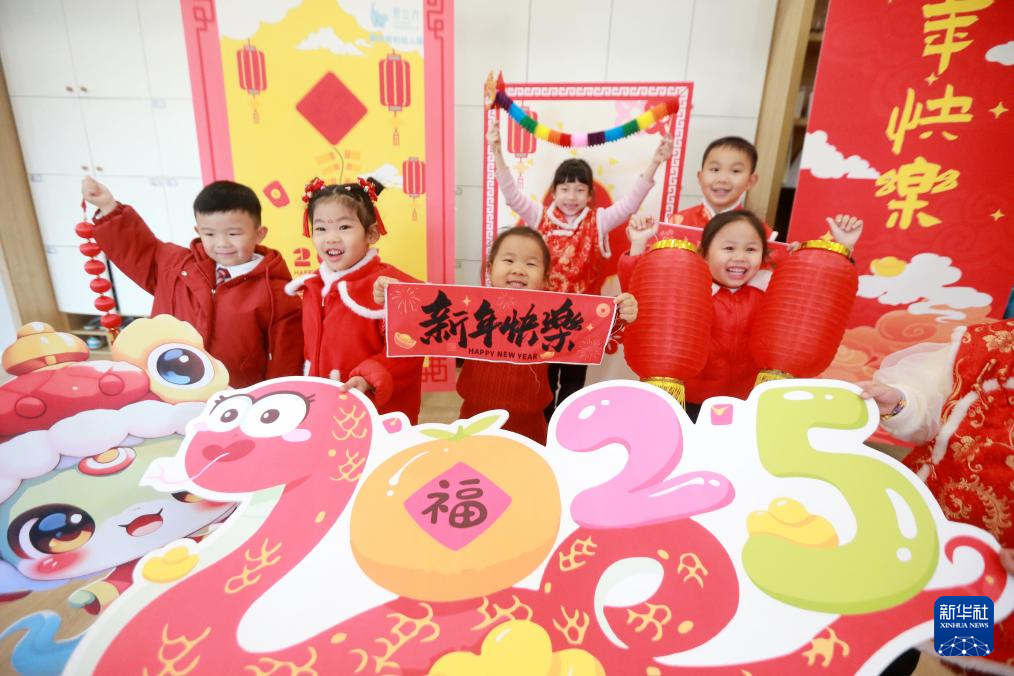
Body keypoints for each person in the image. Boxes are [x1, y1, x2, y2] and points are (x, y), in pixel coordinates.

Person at [374, 226, 638, 444]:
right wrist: (390, 299)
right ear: (490, 268)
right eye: (509, 260)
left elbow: (597, 331)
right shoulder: (468, 309)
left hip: (530, 428)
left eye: (531, 264)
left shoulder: (553, 316)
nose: (518, 269)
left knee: (525, 486)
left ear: (546, 278)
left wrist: (620, 314)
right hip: (474, 421)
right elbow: (416, 317)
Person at [487, 123, 672, 419]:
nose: (571, 196)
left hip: (583, 320)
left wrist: (655, 162)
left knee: (573, 385)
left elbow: (630, 204)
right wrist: (496, 150)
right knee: (544, 382)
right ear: (554, 192)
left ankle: (565, 428)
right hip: (543, 317)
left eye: (579, 189)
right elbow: (510, 194)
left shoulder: (599, 221)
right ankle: (542, 427)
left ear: (589, 195)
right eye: (564, 189)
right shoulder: (539, 216)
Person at [859, 318, 1014, 672]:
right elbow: (930, 404)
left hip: (998, 562)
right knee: (945, 642)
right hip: (955, 546)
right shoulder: (992, 344)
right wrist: (899, 403)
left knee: (990, 655)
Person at [621, 209, 863, 421]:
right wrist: (639, 244)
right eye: (728, 248)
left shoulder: (775, 292)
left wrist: (842, 248)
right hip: (691, 400)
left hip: (751, 404)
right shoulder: (688, 291)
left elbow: (823, 297)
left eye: (751, 249)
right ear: (704, 253)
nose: (740, 257)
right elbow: (641, 297)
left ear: (764, 255)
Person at [81, 177, 303, 388]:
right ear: (198, 232)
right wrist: (108, 206)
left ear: (259, 234)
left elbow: (286, 358)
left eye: (234, 234)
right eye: (210, 234)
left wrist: (275, 398)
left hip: (235, 395)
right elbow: (138, 248)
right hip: (168, 385)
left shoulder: (278, 292)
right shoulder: (175, 266)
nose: (222, 243)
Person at [286, 177, 423, 423]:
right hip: (324, 406)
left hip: (376, 412)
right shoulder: (314, 286)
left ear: (371, 233)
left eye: (344, 227)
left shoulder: (389, 286)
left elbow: (410, 347)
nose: (331, 238)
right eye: (321, 229)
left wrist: (370, 376)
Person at [617, 136, 779, 281]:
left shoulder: (763, 234)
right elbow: (648, 276)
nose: (722, 179)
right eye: (715, 169)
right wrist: (638, 243)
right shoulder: (676, 223)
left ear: (751, 180)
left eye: (735, 171)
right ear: (700, 177)